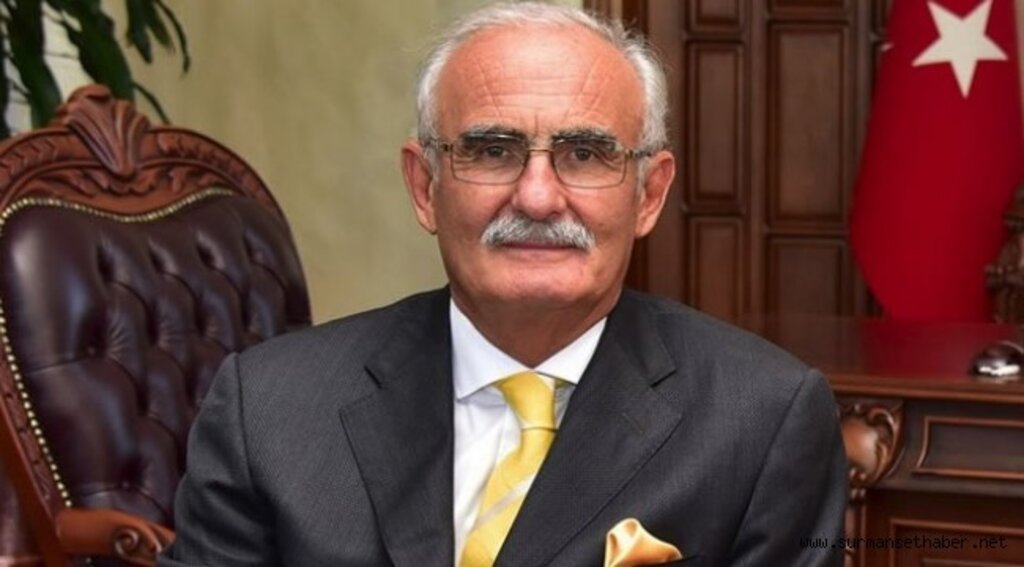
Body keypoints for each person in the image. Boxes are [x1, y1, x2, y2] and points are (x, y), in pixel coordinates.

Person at [159, 2, 848, 566]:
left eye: (585, 153)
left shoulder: (762, 422)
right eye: (492, 150)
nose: (538, 197)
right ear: (424, 186)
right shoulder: (269, 409)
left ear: (648, 195)